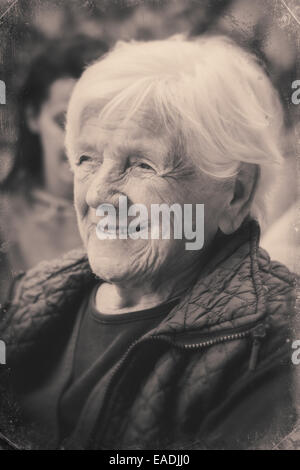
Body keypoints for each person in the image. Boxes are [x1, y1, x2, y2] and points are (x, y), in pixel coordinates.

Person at [0, 35, 297, 450]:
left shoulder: (274, 343)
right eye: (87, 159)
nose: (97, 194)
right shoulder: (32, 294)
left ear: (235, 195)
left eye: (142, 164)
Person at [0, 36, 108, 303]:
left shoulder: (137, 216)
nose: (79, 142)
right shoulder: (6, 217)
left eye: (95, 122)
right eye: (63, 121)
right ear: (32, 116)